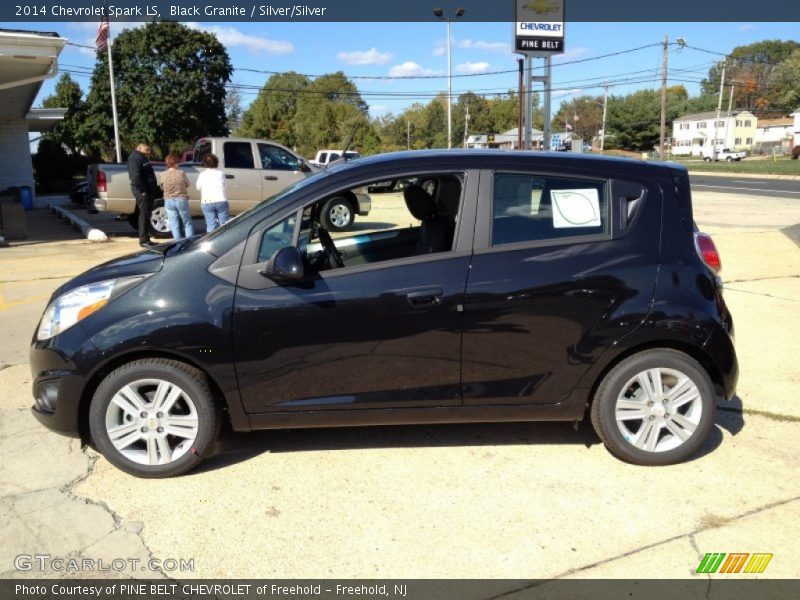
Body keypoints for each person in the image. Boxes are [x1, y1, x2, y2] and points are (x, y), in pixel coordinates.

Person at [127, 142, 159, 247]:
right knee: (144, 215)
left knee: (146, 215)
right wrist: (142, 190)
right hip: (142, 192)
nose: (149, 152)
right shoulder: (135, 158)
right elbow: (135, 176)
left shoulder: (142, 157)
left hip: (148, 191)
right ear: (139, 148)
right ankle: (144, 241)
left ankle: (146, 239)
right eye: (147, 150)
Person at [159, 154, 194, 240]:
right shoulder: (181, 173)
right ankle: (189, 241)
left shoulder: (162, 174)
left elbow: (161, 187)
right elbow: (188, 184)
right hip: (181, 199)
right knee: (187, 222)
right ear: (176, 163)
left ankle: (178, 243)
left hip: (168, 200)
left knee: (174, 224)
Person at [195, 153, 229, 232]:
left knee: (211, 225)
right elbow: (225, 186)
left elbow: (198, 187)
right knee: (224, 225)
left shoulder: (202, 174)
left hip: (207, 201)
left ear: (205, 163)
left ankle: (212, 241)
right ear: (216, 162)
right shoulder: (221, 173)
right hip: (221, 199)